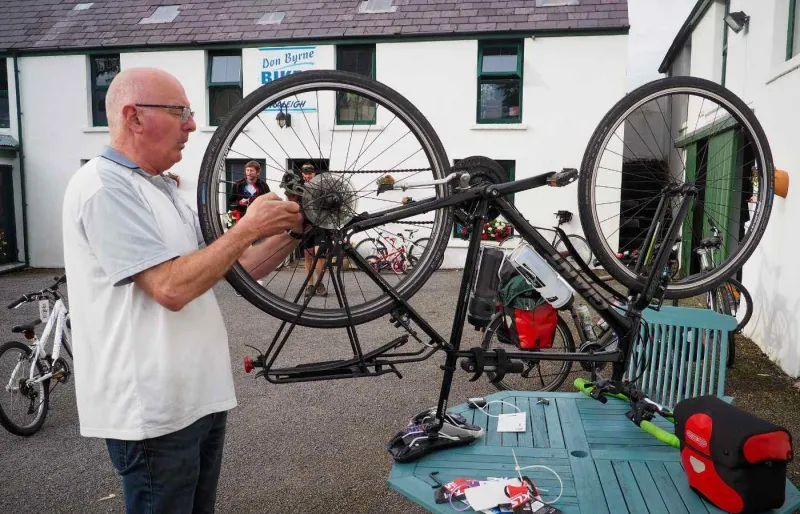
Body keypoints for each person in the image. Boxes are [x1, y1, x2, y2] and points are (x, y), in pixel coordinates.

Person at [61, 67, 306, 514]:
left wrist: (296, 230)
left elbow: (236, 268)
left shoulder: (164, 190)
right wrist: (246, 227)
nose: (193, 124)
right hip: (153, 411)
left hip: (197, 398)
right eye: (180, 112)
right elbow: (170, 288)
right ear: (134, 118)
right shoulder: (104, 187)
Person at [298, 162, 327, 298]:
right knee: (308, 256)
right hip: (305, 226)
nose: (308, 175)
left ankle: (319, 284)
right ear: (302, 174)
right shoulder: (297, 189)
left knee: (319, 254)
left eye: (310, 173)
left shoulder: (321, 187)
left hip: (320, 225)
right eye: (306, 173)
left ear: (314, 174)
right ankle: (310, 285)